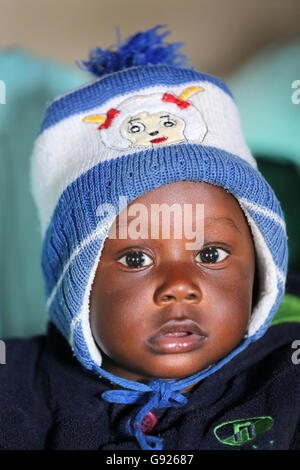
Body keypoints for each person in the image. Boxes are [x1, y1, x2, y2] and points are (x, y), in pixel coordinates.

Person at [1, 25, 299, 451]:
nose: (180, 286)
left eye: (211, 253)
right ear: (76, 290)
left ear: (261, 270)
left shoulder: (286, 375)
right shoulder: (18, 391)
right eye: (136, 259)